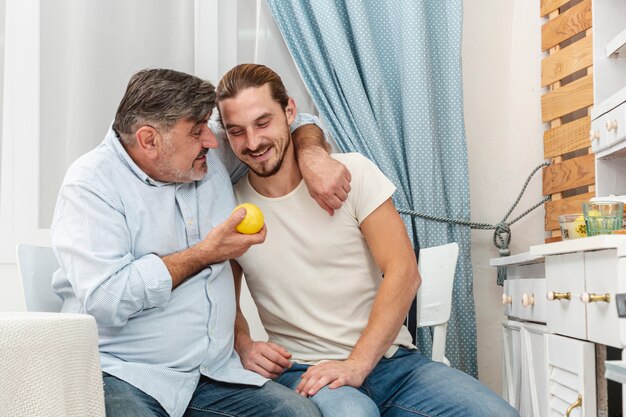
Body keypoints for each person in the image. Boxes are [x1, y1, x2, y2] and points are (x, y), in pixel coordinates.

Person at [215, 63, 520, 417]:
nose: (252, 142)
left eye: (263, 123)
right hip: (305, 371)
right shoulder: (229, 207)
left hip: (394, 364)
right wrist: (243, 342)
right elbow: (222, 294)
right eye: (237, 131)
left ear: (290, 111)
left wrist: (358, 364)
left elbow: (404, 271)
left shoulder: (352, 173)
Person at [50, 68, 351, 417]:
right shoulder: (91, 186)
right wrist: (206, 254)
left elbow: (298, 121)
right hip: (124, 373)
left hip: (213, 374)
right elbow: (107, 299)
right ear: (149, 140)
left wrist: (314, 157)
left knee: (301, 415)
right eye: (197, 132)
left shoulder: (206, 156)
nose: (211, 140)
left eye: (208, 126)